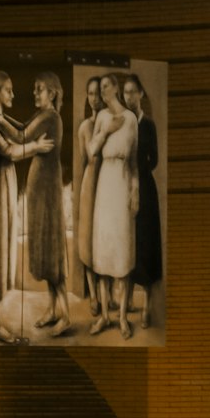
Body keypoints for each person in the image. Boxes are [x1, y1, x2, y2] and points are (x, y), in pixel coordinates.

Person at [0, 70, 54, 343]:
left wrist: (30, 139)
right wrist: (35, 147)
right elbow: (9, 151)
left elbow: (18, 134)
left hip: (5, 181)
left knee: (4, 244)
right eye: (8, 90)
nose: (13, 94)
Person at [88, 73, 139, 339]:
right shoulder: (102, 119)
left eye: (108, 86)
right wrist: (106, 130)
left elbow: (133, 161)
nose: (104, 91)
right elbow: (90, 150)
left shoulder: (131, 120)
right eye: (102, 88)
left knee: (122, 251)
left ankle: (121, 319)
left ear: (117, 88)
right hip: (105, 187)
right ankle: (105, 317)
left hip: (121, 186)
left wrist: (135, 190)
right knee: (104, 251)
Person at [25, 71, 71, 336]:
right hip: (40, 193)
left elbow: (21, 135)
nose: (35, 93)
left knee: (52, 253)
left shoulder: (50, 117)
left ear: (52, 93)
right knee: (44, 250)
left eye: (39, 89)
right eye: (34, 88)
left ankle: (65, 314)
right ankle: (53, 309)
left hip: (47, 194)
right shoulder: (43, 116)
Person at [122, 74, 163, 329]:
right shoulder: (122, 123)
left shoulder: (148, 125)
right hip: (122, 188)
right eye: (124, 93)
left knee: (145, 246)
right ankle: (125, 307)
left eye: (132, 92)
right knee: (127, 248)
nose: (128, 97)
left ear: (140, 95)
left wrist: (139, 171)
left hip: (146, 191)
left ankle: (147, 306)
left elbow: (155, 159)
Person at [75, 76, 104, 315]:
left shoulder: (111, 123)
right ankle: (93, 296)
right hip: (89, 183)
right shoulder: (84, 127)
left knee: (105, 238)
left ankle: (109, 296)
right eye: (91, 94)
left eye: (98, 93)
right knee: (87, 239)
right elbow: (83, 162)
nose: (94, 98)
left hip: (108, 184)